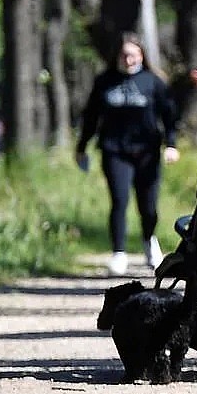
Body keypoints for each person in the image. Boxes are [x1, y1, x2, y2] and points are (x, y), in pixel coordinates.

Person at [75, 32, 180, 276]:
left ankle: (148, 240)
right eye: (124, 55)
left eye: (132, 54)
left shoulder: (153, 82)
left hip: (147, 151)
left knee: (148, 205)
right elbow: (91, 117)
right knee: (119, 200)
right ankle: (119, 253)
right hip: (115, 150)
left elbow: (169, 116)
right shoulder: (105, 82)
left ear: (141, 55)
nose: (128, 59)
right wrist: (81, 146)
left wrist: (171, 145)